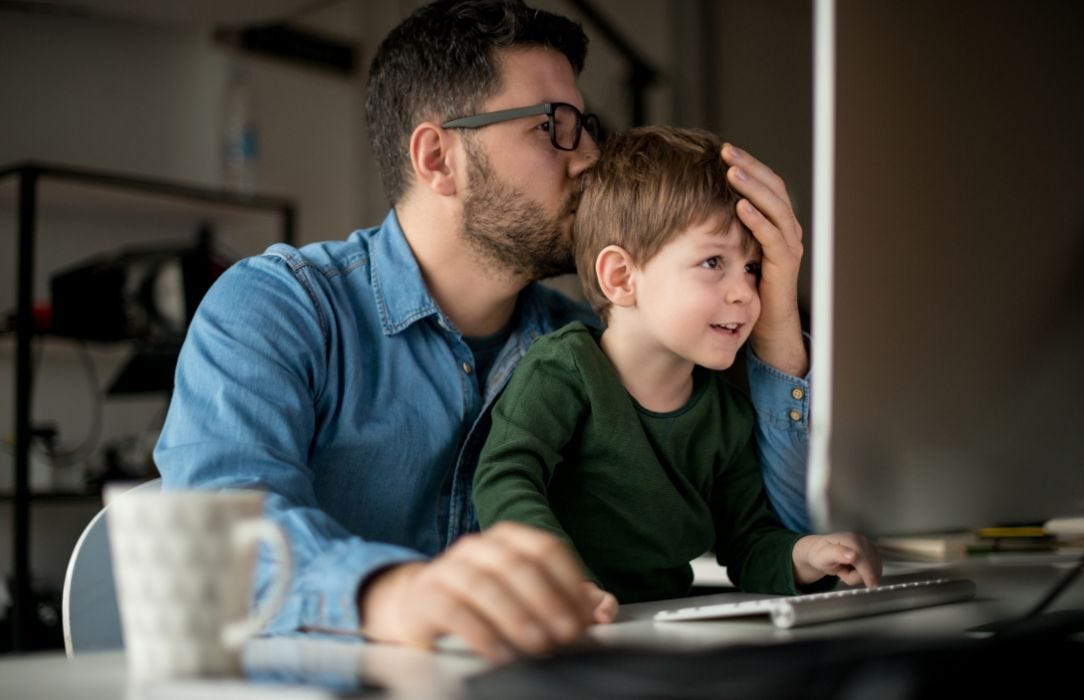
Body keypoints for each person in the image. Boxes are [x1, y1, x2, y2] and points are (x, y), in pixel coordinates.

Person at [154, 0, 812, 662]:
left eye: (587, 128)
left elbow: (782, 538)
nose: (588, 160)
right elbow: (220, 546)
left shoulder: (595, 348)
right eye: (553, 128)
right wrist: (395, 594)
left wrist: (777, 318)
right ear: (439, 157)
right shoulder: (280, 310)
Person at [472, 126, 877, 605]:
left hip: (664, 633)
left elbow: (748, 544)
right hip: (561, 627)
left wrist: (807, 556)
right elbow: (504, 476)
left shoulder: (726, 415)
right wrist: (561, 581)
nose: (744, 293)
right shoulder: (562, 370)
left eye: (751, 268)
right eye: (712, 262)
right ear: (621, 278)